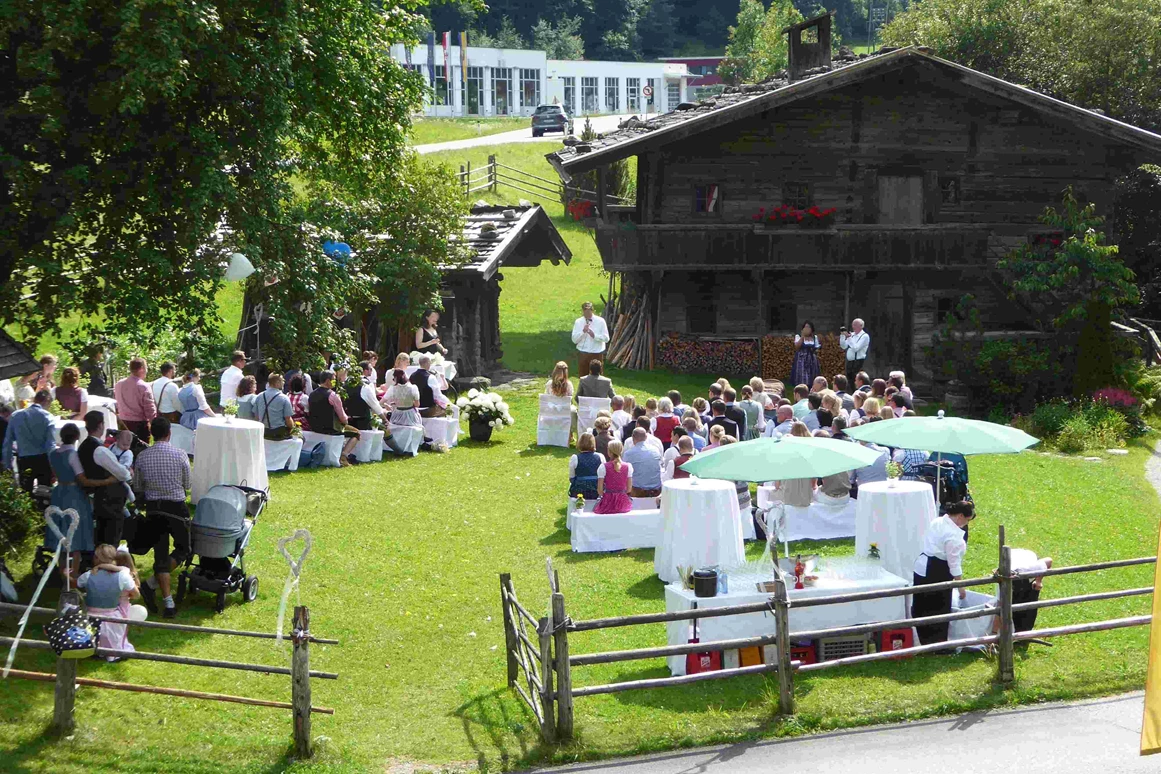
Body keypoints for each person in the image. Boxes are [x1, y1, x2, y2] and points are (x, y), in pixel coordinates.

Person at [133, 417, 192, 618]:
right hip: (176, 508)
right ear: (169, 433)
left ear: (151, 434)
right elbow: (188, 484)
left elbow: (138, 487)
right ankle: (154, 589)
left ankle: (163, 597)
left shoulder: (142, 456)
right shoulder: (180, 454)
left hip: (153, 509)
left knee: (160, 553)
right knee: (184, 549)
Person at [45, 424, 106, 583]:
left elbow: (55, 474)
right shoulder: (72, 454)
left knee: (62, 534)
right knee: (75, 535)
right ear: (77, 436)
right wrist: (104, 482)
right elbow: (81, 478)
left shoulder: (53, 453)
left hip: (59, 492)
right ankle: (74, 576)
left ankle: (62, 573)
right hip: (74, 494)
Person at [913, 501, 975, 645]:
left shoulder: (937, 521)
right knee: (938, 607)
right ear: (960, 516)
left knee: (921, 603)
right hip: (938, 570)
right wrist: (961, 585)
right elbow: (954, 564)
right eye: (967, 520)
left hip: (922, 565)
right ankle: (937, 643)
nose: (966, 524)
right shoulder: (954, 536)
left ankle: (919, 638)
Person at [78, 544, 144, 657]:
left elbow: (77, 583)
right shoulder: (122, 575)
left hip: (89, 615)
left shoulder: (88, 575)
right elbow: (136, 595)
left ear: (97, 558)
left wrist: (66, 576)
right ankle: (112, 649)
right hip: (113, 615)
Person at [79, 411, 132, 545]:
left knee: (101, 536)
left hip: (96, 496)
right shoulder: (100, 450)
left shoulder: (83, 446)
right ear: (101, 425)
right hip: (108, 498)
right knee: (111, 537)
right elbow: (123, 473)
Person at [2, 389, 56, 493]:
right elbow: (51, 445)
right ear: (47, 401)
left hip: (24, 459)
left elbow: (7, 442)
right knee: (44, 494)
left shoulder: (16, 416)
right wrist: (54, 466)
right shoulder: (48, 417)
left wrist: (7, 464)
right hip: (43, 460)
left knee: (26, 494)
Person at [307, 371, 360, 467]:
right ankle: (343, 457)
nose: (335, 382)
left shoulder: (311, 394)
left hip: (315, 427)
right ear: (328, 381)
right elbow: (343, 418)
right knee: (356, 433)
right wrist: (345, 422)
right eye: (334, 380)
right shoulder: (333, 395)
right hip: (331, 428)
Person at [114, 358, 157, 445]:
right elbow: (150, 409)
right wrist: (154, 424)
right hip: (140, 426)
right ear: (141, 369)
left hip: (123, 423)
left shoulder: (119, 384)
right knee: (140, 451)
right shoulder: (144, 386)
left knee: (125, 449)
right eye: (146, 368)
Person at [571, 301, 610, 378]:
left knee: (597, 377)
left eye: (589, 312)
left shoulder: (601, 321)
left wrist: (594, 336)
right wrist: (583, 332)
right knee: (583, 376)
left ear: (593, 311)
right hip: (583, 353)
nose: (587, 314)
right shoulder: (578, 322)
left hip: (596, 353)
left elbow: (606, 338)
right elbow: (574, 340)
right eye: (585, 312)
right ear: (582, 311)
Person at [593, 440, 633, 514]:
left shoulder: (603, 467)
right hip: (623, 502)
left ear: (609, 452)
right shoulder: (628, 466)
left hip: (608, 502)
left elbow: (599, 490)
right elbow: (629, 489)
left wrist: (606, 496)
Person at [254, 373, 296, 440]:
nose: (284, 382)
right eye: (282, 380)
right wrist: (294, 430)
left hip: (263, 431)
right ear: (277, 383)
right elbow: (288, 419)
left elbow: (256, 417)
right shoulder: (284, 398)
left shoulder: (259, 396)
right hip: (278, 433)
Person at [623, 427, 663, 497]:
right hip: (656, 490)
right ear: (646, 437)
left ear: (633, 438)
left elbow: (624, 473)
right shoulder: (655, 450)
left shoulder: (628, 454)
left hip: (637, 491)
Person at [410, 355, 450, 419]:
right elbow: (438, 395)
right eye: (430, 362)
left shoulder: (412, 376)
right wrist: (448, 402)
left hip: (415, 409)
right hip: (428, 410)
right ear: (427, 363)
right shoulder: (430, 377)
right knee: (451, 410)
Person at [568, 432, 605, 500]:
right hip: (597, 489)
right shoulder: (600, 456)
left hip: (580, 490)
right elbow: (605, 475)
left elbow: (571, 477)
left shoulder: (575, 458)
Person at [791, 321, 822, 388]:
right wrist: (803, 336)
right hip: (801, 360)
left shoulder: (814, 337)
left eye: (808, 327)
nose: (807, 328)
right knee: (802, 376)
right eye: (805, 327)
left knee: (812, 375)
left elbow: (817, 348)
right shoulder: (798, 336)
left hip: (812, 360)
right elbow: (796, 347)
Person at [839, 318, 870, 384]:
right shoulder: (852, 335)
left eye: (855, 325)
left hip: (858, 362)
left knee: (857, 382)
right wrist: (842, 335)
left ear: (861, 326)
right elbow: (843, 346)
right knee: (849, 382)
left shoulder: (865, 336)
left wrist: (849, 337)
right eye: (853, 325)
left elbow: (856, 348)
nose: (853, 327)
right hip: (850, 363)